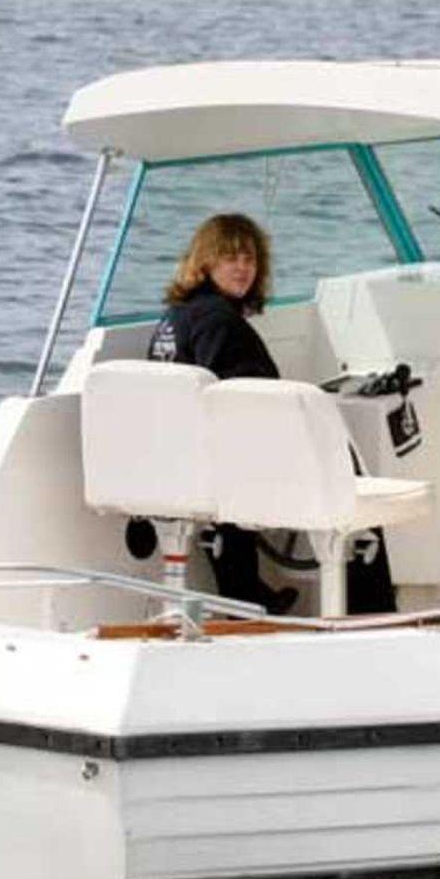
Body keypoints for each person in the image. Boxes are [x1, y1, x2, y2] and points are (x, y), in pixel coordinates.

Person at [148, 213, 299, 613]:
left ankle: (244, 590)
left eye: (249, 259)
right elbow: (241, 398)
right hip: (214, 461)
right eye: (230, 258)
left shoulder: (176, 317)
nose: (243, 268)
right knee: (344, 462)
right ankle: (369, 600)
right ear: (205, 262)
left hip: (171, 454)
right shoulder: (219, 321)